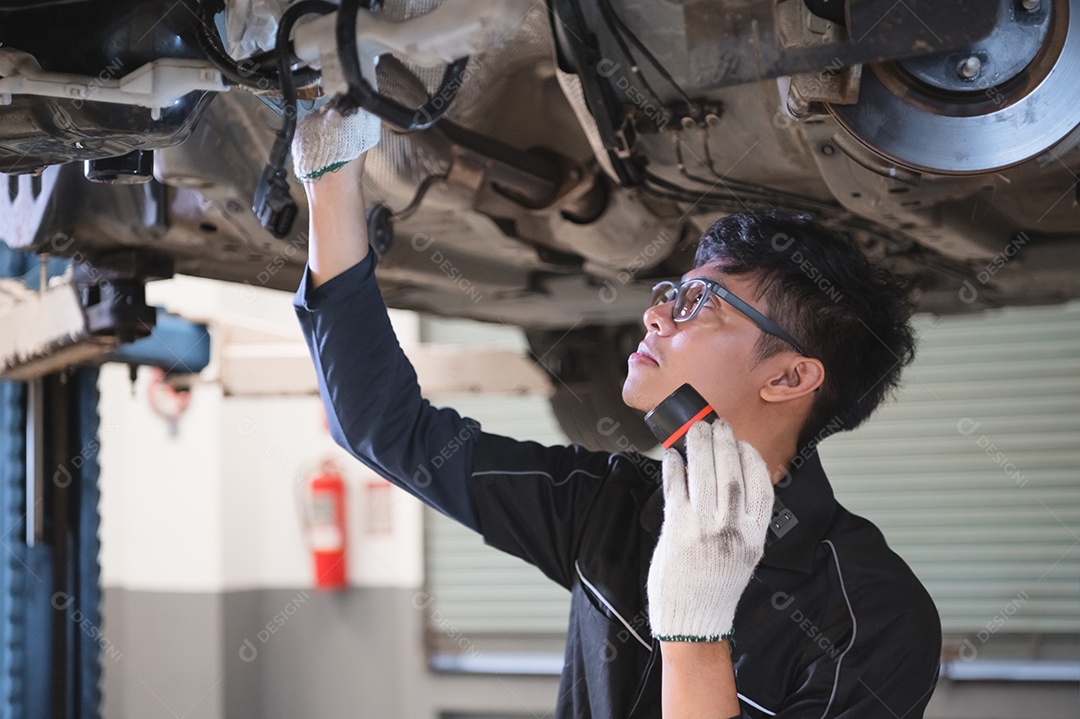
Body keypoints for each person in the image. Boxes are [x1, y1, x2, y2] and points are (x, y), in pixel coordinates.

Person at [291, 105, 942, 718]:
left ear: (791, 375)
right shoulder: (611, 507)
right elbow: (388, 428)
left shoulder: (875, 617)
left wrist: (695, 630)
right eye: (671, 294)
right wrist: (331, 184)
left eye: (700, 304)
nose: (654, 314)